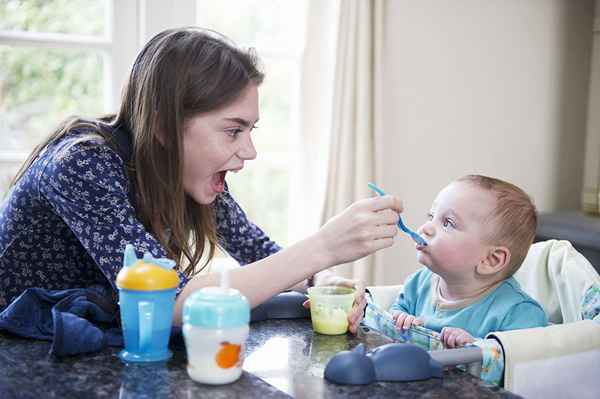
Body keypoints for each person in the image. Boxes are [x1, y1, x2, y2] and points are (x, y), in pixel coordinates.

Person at [0, 27, 403, 334]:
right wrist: (325, 246)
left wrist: (327, 282)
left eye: (250, 131)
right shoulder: (82, 165)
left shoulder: (185, 172)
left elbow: (261, 255)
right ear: (164, 125)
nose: (249, 151)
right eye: (233, 131)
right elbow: (167, 302)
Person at [390, 174, 548, 348]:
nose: (425, 228)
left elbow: (521, 363)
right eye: (431, 216)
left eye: (448, 223)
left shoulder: (519, 314)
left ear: (490, 260)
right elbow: (397, 309)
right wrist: (401, 318)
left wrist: (476, 346)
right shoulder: (419, 283)